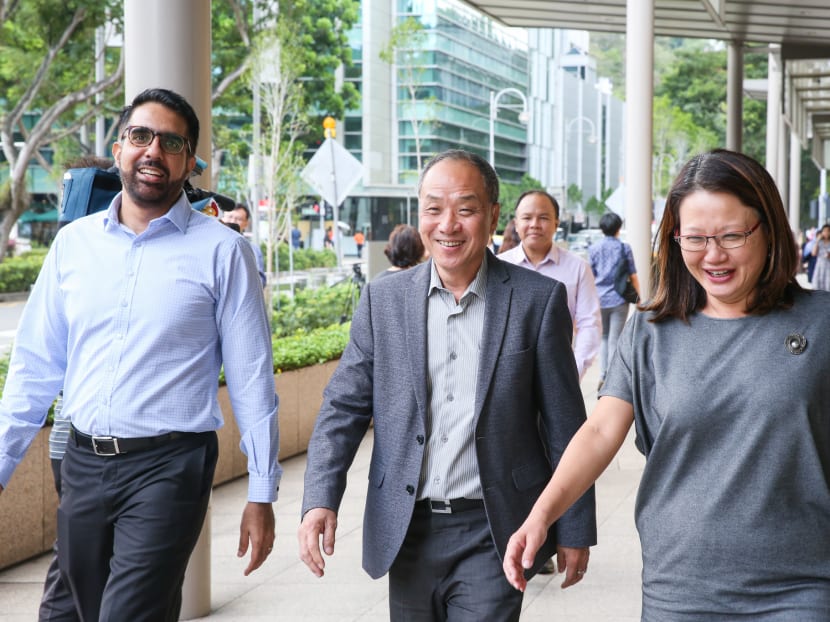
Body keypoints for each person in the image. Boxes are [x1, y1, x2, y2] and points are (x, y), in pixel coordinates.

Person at [503, 149, 830, 620]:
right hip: (681, 586)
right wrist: (541, 515)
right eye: (695, 238)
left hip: (803, 587)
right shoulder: (651, 330)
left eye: (732, 235)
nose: (713, 255)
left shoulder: (820, 323)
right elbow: (599, 433)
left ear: (769, 229)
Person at [0, 88, 281, 621]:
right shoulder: (73, 245)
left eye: (171, 142)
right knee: (73, 612)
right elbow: (35, 368)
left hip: (169, 466)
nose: (153, 150)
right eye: (140, 135)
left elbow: (250, 377)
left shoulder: (224, 251)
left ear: (190, 162)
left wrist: (262, 490)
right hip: (81, 463)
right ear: (119, 148)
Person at [298, 149, 596, 620]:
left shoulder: (537, 300)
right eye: (434, 208)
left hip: (495, 527)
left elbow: (565, 424)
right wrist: (319, 497)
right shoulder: (384, 299)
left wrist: (575, 526)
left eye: (466, 208)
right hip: (406, 526)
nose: (448, 225)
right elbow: (343, 406)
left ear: (495, 215)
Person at [499, 190, 601, 380]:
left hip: (558, 373)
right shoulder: (499, 266)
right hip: (507, 377)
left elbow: (589, 324)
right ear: (516, 222)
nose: (535, 225)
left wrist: (573, 371)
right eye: (527, 217)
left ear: (556, 223)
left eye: (543, 218)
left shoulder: (578, 268)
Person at [589, 211, 641, 389]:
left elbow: (591, 275)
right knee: (615, 339)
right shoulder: (624, 248)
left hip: (599, 299)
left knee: (603, 338)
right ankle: (611, 377)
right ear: (618, 228)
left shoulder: (594, 249)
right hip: (619, 299)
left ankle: (603, 374)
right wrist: (640, 296)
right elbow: (633, 274)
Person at [222, 202, 267, 288]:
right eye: (230, 217)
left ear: (246, 223)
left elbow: (260, 281)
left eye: (238, 219)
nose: (233, 222)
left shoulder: (252, 250)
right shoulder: (210, 245)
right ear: (222, 218)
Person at [810, 223, 830, 291]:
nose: (826, 233)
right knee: (817, 286)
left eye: (828, 231)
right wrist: (817, 240)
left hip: (828, 266)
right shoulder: (819, 242)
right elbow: (813, 254)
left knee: (828, 286)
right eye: (824, 231)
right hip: (819, 265)